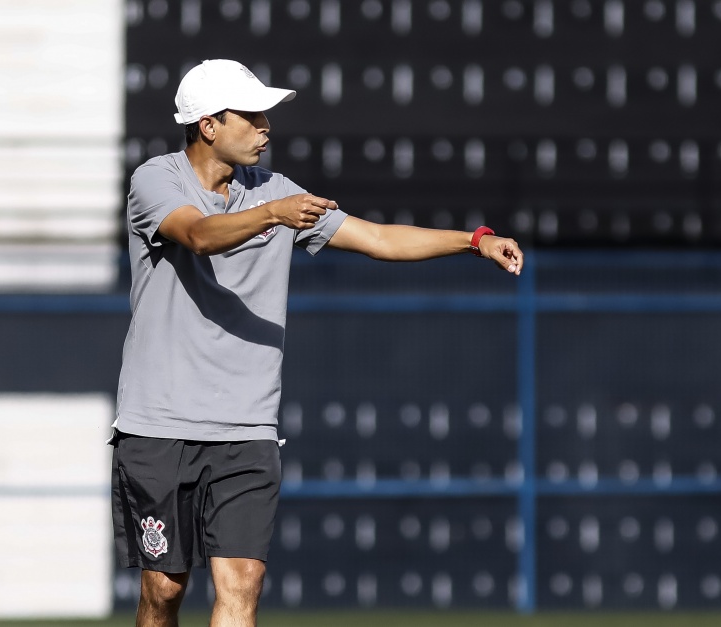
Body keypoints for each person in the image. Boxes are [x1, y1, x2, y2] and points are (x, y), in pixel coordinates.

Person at [111, 58, 524, 627]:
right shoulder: (155, 181)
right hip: (159, 425)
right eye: (251, 114)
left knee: (243, 581)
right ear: (209, 125)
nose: (265, 126)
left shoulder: (275, 191)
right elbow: (199, 236)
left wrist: (474, 240)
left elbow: (378, 238)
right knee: (163, 589)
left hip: (247, 428)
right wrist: (274, 214)